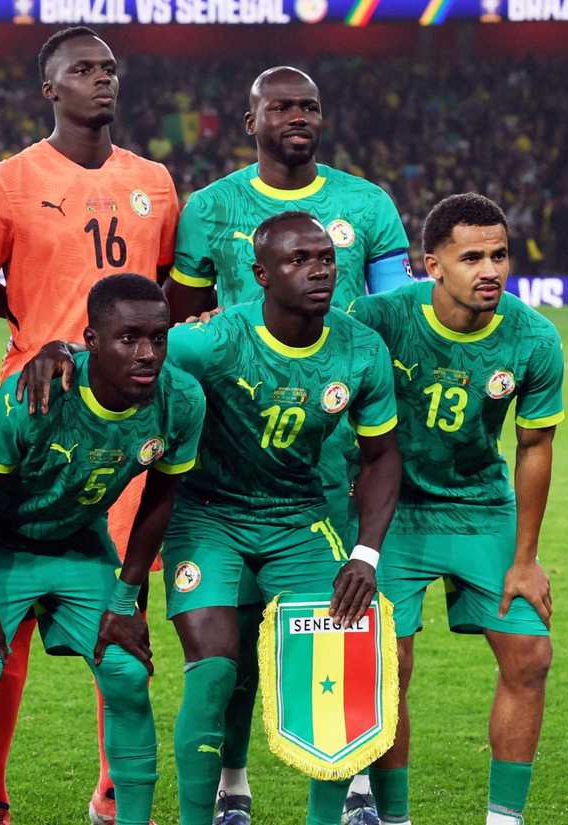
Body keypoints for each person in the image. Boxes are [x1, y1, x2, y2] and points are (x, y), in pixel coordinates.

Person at [24, 210, 402, 825]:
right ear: (260, 275)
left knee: (330, 657)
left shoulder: (360, 350)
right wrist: (60, 349)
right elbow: (129, 351)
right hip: (207, 516)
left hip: (297, 519)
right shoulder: (216, 340)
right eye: (299, 260)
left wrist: (365, 554)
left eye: (326, 259)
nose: (319, 271)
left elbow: (383, 455)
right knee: (216, 666)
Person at [159, 65, 412, 825]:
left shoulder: (366, 207)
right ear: (251, 120)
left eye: (310, 106)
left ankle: (352, 788)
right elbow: (169, 332)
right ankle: (227, 791)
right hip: (220, 470)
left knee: (334, 646)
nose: (298, 117)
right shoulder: (211, 211)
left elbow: (396, 313)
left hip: (324, 471)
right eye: (283, 106)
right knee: (222, 665)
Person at [0, 26, 179, 825]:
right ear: (49, 88)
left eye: (109, 69)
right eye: (82, 70)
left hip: (123, 429)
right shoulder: (10, 182)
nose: (101, 81)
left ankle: (114, 788)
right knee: (0, 623)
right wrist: (24, 328)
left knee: (119, 604)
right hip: (33, 419)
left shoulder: (154, 180)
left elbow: (167, 302)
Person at [0, 274, 205, 825]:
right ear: (91, 341)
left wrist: (125, 600)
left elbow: (160, 497)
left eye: (158, 338)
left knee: (128, 672)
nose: (147, 353)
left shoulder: (182, 399)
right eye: (128, 339)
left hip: (77, 541)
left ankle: (128, 815)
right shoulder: (40, 390)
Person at [350, 194, 562, 825]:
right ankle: (394, 818)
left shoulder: (533, 337)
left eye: (499, 254)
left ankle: (504, 820)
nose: (490, 269)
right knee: (392, 662)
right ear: (431, 264)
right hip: (395, 512)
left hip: (479, 505)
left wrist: (525, 560)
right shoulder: (380, 318)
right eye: (471, 257)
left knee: (530, 655)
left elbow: (535, 447)